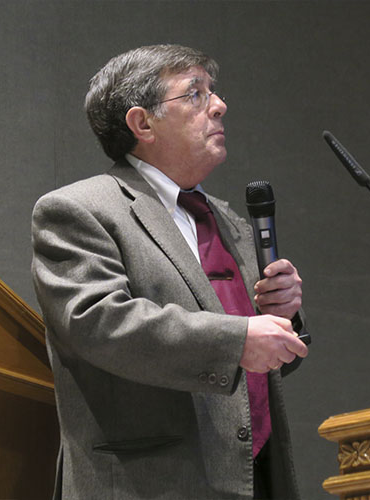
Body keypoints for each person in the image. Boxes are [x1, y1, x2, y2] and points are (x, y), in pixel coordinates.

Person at [31, 44, 310, 500]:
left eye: (213, 92)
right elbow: (100, 323)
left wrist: (284, 319)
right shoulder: (80, 210)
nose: (219, 106)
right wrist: (238, 339)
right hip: (152, 484)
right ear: (142, 124)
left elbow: (252, 366)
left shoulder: (226, 221)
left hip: (256, 479)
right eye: (195, 94)